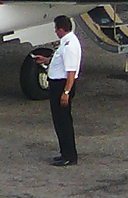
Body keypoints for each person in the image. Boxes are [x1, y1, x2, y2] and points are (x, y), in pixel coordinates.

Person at [34, 15, 82, 166]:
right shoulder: (66, 42)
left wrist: (66, 92)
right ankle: (64, 153)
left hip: (62, 85)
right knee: (59, 121)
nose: (55, 31)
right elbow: (60, 60)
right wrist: (47, 61)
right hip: (58, 84)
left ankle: (69, 156)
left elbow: (71, 72)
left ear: (61, 29)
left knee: (63, 122)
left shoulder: (70, 46)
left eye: (56, 29)